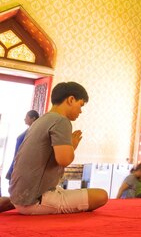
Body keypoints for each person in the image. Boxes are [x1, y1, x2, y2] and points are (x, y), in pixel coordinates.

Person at [1, 82, 108, 215]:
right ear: (71, 99)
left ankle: (13, 203)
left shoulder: (41, 120)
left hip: (18, 194)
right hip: (35, 200)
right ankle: (28, 205)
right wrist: (72, 145)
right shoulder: (61, 121)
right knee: (101, 195)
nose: (80, 111)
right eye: (80, 105)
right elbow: (64, 160)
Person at [5, 110, 39, 181]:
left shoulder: (34, 131)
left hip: (21, 161)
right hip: (17, 158)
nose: (24, 119)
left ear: (33, 118)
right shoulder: (30, 129)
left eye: (26, 117)